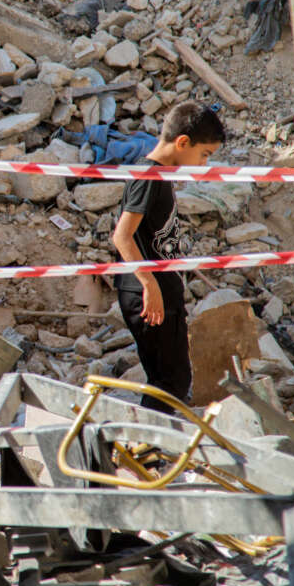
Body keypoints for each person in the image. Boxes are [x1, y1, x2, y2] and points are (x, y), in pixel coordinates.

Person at [111, 102, 225, 414]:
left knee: (171, 379)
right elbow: (122, 236)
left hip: (160, 292)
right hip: (148, 295)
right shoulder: (149, 176)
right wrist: (150, 286)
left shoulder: (157, 175)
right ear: (183, 142)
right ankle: (146, 450)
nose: (203, 164)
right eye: (204, 154)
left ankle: (148, 450)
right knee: (168, 382)